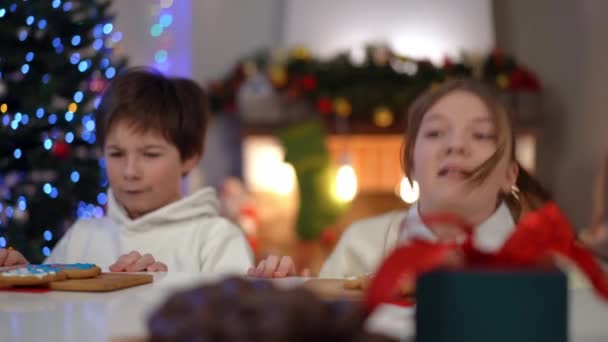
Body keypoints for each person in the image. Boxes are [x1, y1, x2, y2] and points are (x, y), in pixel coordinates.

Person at [249, 78, 550, 278]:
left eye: (480, 134)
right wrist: (291, 304)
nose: (455, 145)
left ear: (511, 174)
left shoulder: (543, 260)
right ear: (412, 165)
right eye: (435, 132)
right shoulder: (363, 244)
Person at [34, 67, 253, 273]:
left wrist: (157, 292)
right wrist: (16, 281)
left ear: (189, 157)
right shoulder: (81, 238)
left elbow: (235, 312)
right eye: (116, 154)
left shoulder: (214, 239)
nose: (130, 172)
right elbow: (43, 309)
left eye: (150, 155)